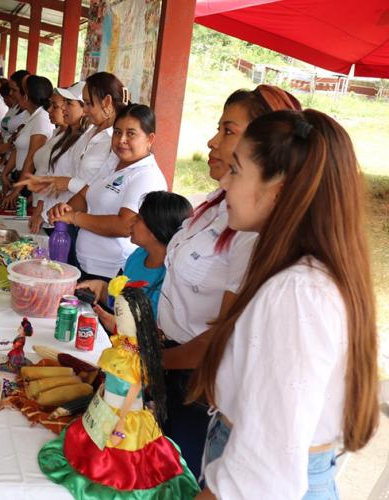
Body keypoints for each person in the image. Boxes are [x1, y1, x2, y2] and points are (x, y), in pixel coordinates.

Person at [191, 109, 380, 499]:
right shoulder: (309, 277)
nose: (224, 182)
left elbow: (257, 481)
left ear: (279, 190)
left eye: (237, 170)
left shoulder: (297, 294)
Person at [157, 85, 302, 478]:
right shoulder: (217, 202)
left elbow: (221, 340)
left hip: (195, 384)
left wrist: (154, 363)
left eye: (228, 130)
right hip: (169, 364)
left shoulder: (254, 233)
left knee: (182, 476)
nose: (212, 140)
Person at [38, 286, 200, 498]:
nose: (118, 318)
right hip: (106, 408)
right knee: (89, 446)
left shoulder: (136, 357)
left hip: (125, 415)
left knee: (124, 465)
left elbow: (134, 390)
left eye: (122, 313)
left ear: (137, 317)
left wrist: (121, 422)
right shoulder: (120, 347)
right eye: (118, 312)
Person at [48, 104, 167, 280]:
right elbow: (86, 194)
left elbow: (125, 225)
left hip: (111, 273)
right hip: (85, 263)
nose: (121, 140)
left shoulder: (146, 176)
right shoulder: (113, 161)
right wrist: (64, 209)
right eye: (117, 132)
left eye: (131, 133)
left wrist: (74, 218)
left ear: (150, 138)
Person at [77, 190, 193, 331]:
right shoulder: (139, 255)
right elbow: (121, 300)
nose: (131, 221)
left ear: (156, 230)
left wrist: (122, 326)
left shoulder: (171, 276)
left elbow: (157, 330)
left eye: (138, 218)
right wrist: (101, 288)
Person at [0, 74, 54, 208]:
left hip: (27, 184)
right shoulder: (31, 117)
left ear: (26, 96)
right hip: (20, 179)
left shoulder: (42, 119)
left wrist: (17, 190)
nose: (12, 95)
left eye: (15, 91)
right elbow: (18, 149)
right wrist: (5, 173)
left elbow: (31, 159)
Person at [28, 88, 67, 233]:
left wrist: (42, 212)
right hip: (42, 206)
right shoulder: (56, 133)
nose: (49, 109)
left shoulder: (77, 141)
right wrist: (39, 205)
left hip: (53, 216)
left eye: (55, 106)